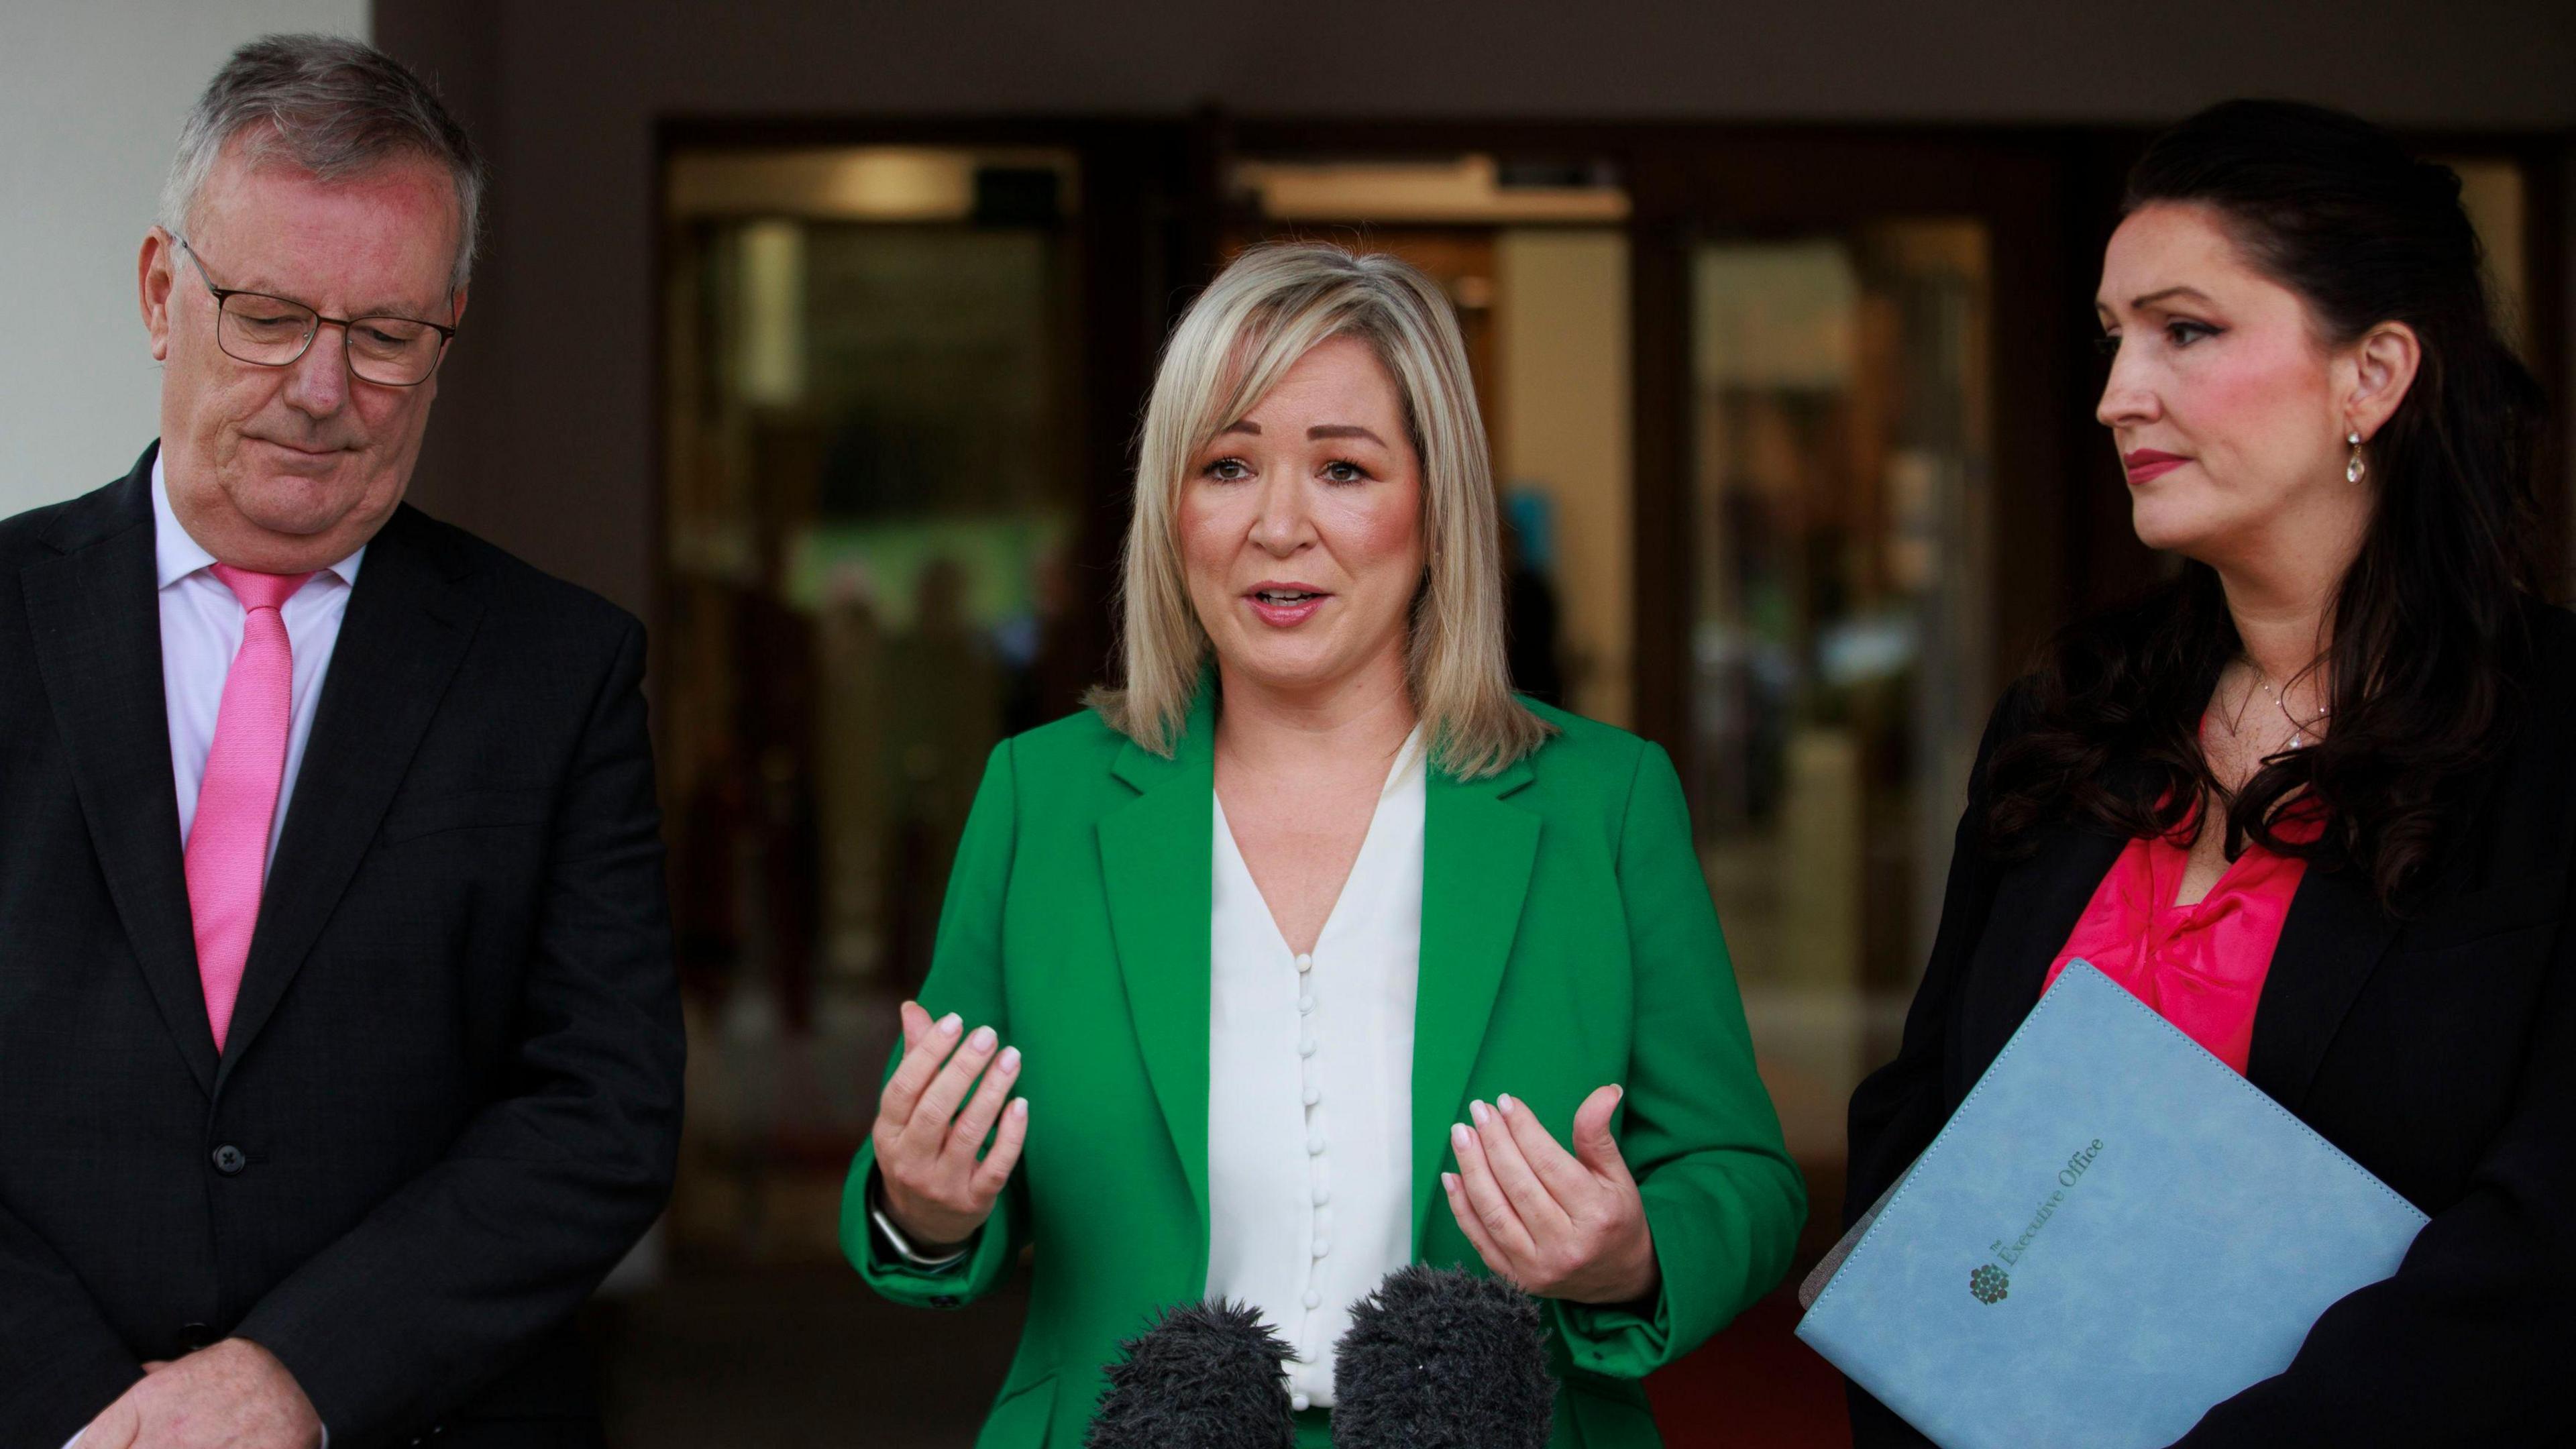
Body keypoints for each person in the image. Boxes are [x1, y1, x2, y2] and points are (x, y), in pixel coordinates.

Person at [842, 242, 1805, 1447]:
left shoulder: (1602, 803)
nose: (1278, 525)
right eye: (1229, 465)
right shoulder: (1044, 796)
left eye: (1344, 468)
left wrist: (1631, 1256)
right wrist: (921, 1206)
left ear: (1436, 507)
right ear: (1172, 511)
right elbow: (923, 1181)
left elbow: (1745, 1177)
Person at [1843, 100, 2573, 1446]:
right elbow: (1920, 1120)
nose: (2121, 393)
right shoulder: (2069, 721)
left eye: (2186, 330)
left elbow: (2544, 1243)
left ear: (2374, 374)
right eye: (2118, 337)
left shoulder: (2548, 746)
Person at [0, 36, 684, 1449]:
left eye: (384, 335)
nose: (325, 388)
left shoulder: (558, 670)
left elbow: (603, 1109)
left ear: (450, 329)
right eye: (266, 316)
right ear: (157, 293)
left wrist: (293, 1376)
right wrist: (85, 1407)